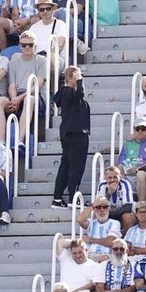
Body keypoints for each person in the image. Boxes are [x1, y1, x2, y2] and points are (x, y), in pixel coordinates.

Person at [50, 65, 91, 208]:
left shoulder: (66, 94)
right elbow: (80, 94)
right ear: (71, 77)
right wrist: (79, 81)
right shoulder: (67, 92)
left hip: (70, 135)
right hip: (76, 134)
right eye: (78, 76)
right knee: (76, 167)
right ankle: (73, 198)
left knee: (66, 166)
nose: (81, 79)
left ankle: (57, 197)